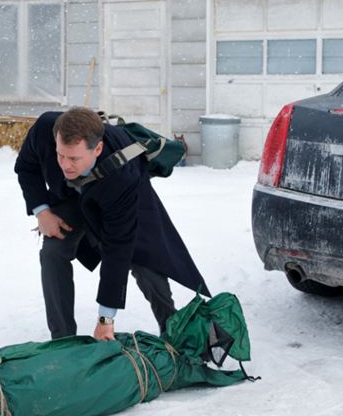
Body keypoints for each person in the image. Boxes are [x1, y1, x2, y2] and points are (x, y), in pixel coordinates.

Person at [15, 107, 209, 340]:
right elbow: (27, 167)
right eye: (60, 155)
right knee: (53, 252)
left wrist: (106, 319)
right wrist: (42, 212)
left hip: (118, 196)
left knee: (146, 261)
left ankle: (172, 332)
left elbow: (118, 248)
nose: (65, 165)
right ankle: (63, 340)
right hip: (71, 198)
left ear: (97, 149)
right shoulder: (46, 127)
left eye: (74, 158)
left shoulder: (124, 174)